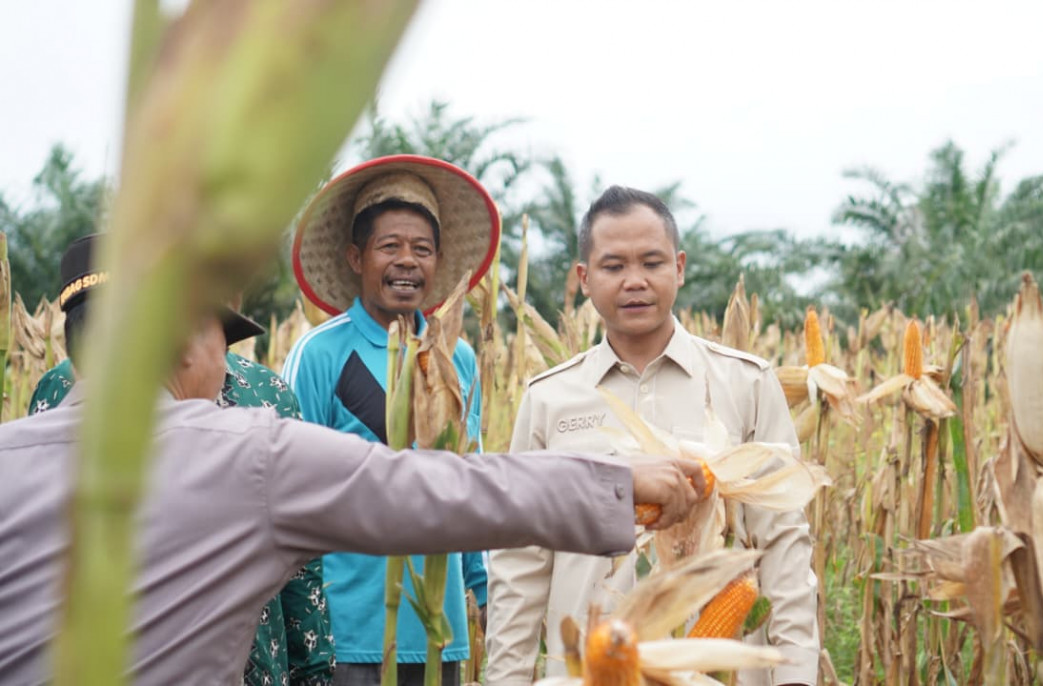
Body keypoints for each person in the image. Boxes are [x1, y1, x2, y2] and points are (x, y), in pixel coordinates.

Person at [0, 235, 706, 686]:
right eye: (224, 339)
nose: (228, 363)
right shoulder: (247, 452)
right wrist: (619, 483)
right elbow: (442, 489)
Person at [486, 186, 820, 686]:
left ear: (679, 268)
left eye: (652, 263)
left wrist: (795, 676)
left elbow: (785, 549)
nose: (634, 282)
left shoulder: (746, 383)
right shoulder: (549, 399)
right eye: (614, 266)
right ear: (584, 278)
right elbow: (521, 563)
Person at [27, 234, 336, 686]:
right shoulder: (59, 391)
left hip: (249, 663)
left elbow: (300, 552)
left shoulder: (265, 394)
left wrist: (313, 669)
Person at [283, 155, 498, 686]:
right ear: (357, 257)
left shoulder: (457, 358)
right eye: (390, 247)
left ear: (438, 261)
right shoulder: (319, 354)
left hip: (439, 634)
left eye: (421, 249)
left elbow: (469, 483)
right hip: (347, 635)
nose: (407, 261)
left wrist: (485, 590)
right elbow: (287, 488)